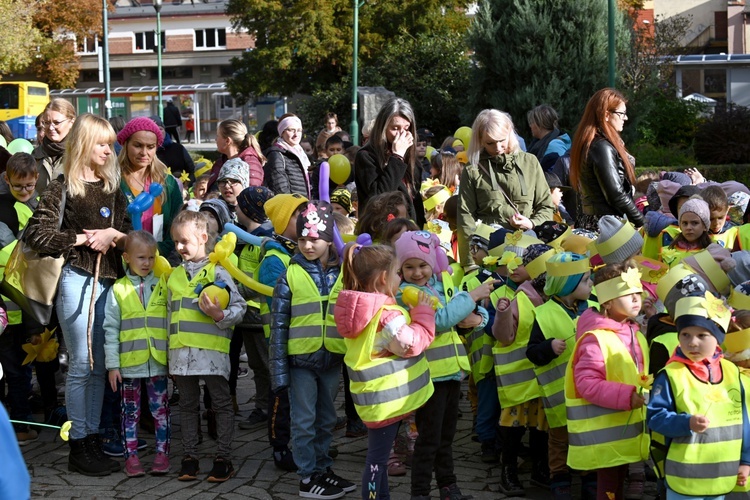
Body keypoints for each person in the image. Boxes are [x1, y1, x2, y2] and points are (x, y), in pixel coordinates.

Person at [25, 113, 132, 476]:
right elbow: (37, 235)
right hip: (76, 278)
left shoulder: (112, 187)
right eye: (102, 144)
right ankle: (79, 443)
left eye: (110, 144)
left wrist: (112, 236)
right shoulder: (61, 186)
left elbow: (129, 236)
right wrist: (83, 238)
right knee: (81, 364)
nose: (109, 150)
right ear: (85, 144)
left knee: (100, 365)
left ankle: (94, 440)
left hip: (109, 281)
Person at [394, 230, 492, 500]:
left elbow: (462, 314)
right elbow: (439, 321)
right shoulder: (407, 293)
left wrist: (478, 316)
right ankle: (420, 493)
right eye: (409, 267)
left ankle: (449, 487)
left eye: (423, 265)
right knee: (428, 441)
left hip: (451, 373)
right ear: (399, 268)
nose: (417, 272)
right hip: (429, 376)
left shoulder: (438, 286)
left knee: (446, 438)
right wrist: (471, 299)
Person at [334, 243, 436, 500]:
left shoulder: (361, 309)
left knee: (377, 457)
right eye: (397, 273)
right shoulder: (387, 315)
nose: (400, 278)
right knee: (376, 461)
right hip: (385, 402)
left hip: (372, 398)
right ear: (383, 278)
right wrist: (423, 314)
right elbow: (410, 345)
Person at [269, 201, 356, 499]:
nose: (307, 245)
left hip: (331, 359)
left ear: (329, 239)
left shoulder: (343, 274)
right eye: (302, 239)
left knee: (327, 419)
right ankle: (307, 477)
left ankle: (322, 468)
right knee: (304, 422)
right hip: (300, 364)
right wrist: (278, 374)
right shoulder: (289, 276)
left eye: (314, 239)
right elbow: (279, 327)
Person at [167, 210, 246, 482]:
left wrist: (220, 316)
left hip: (212, 353)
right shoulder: (173, 276)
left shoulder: (218, 271)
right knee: (187, 405)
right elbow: (168, 316)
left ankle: (224, 457)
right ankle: (189, 456)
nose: (178, 247)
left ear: (202, 237)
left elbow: (240, 307)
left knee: (221, 403)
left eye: (184, 242)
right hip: (181, 355)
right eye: (175, 242)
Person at [647, 290, 750, 498]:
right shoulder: (670, 375)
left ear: (718, 338)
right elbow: (655, 418)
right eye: (685, 335)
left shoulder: (732, 371)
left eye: (702, 335)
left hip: (722, 475)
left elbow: (744, 421)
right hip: (685, 478)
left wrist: (746, 460)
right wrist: (687, 423)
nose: (692, 342)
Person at [565, 260, 649, 500]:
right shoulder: (596, 338)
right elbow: (586, 383)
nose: (636, 299)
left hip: (624, 428)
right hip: (606, 433)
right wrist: (626, 396)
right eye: (628, 294)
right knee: (608, 488)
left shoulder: (632, 331)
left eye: (638, 293)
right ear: (608, 302)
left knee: (616, 486)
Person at [0, 153, 59, 444]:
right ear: (6, 179)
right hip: (13, 301)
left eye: (29, 186)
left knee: (27, 365)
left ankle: (29, 419)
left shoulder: (38, 205)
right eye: (17, 186)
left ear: (37, 180)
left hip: (32, 300)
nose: (24, 191)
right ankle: (21, 426)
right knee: (16, 369)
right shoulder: (6, 209)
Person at [527, 253, 595, 499]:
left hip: (589, 393)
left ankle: (589, 478)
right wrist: (548, 348)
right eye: (586, 280)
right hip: (560, 396)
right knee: (559, 440)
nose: (591, 285)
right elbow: (532, 352)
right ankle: (559, 478)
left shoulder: (594, 308)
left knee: (587, 436)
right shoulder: (544, 313)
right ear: (568, 284)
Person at [103, 231, 171, 477]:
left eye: (151, 258)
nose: (147, 263)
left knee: (160, 411)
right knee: (129, 413)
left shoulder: (163, 284)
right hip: (129, 365)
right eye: (141, 257)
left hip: (158, 362)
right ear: (126, 258)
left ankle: (162, 453)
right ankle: (130, 456)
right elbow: (110, 329)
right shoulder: (118, 290)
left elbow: (170, 323)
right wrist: (113, 365)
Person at [457, 109, 555, 267]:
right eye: (490, 143)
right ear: (480, 140)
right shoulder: (472, 169)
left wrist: (532, 223)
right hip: (489, 254)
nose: (498, 147)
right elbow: (465, 218)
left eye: (502, 140)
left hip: (528, 253)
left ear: (510, 133)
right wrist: (470, 265)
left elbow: (546, 205)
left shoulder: (530, 162)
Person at [259, 192, 309, 472]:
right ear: (281, 223)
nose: (304, 217)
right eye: (296, 213)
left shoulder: (302, 252)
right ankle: (280, 446)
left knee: (303, 396)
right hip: (280, 340)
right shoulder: (275, 259)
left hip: (303, 337)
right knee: (281, 393)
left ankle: (305, 442)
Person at [569, 88, 643, 231]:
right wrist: (642, 222)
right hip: (606, 226)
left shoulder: (592, 143)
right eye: (622, 114)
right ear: (606, 115)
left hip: (595, 222)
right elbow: (616, 194)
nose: (625, 118)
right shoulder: (601, 146)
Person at [234, 187, 275, 431]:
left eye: (240, 205)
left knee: (267, 366)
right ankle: (263, 407)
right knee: (258, 366)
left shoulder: (264, 242)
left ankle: (272, 408)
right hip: (247, 316)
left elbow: (263, 282)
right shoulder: (244, 239)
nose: (236, 208)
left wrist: (237, 292)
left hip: (261, 316)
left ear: (249, 209)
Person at [117, 117, 183, 261]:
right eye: (138, 145)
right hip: (123, 262)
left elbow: (177, 225)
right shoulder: (113, 181)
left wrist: (158, 252)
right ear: (126, 144)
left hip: (162, 261)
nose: (144, 152)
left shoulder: (168, 183)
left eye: (150, 147)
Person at [354, 97, 426, 228]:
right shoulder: (366, 156)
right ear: (383, 128)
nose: (402, 134)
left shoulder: (410, 156)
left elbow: (414, 198)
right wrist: (397, 157)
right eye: (395, 128)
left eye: (406, 128)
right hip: (380, 231)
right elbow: (378, 197)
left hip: (409, 231)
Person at [208, 118, 265, 191]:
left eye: (218, 136)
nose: (215, 140)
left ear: (227, 141)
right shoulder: (220, 162)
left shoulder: (250, 163)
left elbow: (252, 195)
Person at [34, 98, 76, 192]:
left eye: (56, 123)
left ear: (71, 122)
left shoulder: (80, 154)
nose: (51, 128)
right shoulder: (35, 155)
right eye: (47, 123)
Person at [265, 114, 311, 197]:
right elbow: (280, 189)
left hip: (303, 205)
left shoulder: (301, 153)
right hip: (291, 207)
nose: (296, 134)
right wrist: (293, 207)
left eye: (299, 130)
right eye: (291, 130)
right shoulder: (276, 155)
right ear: (282, 132)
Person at [527, 105, 572, 171]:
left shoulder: (555, 145)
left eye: (532, 122)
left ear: (539, 124)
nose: (530, 126)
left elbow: (562, 172)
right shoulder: (539, 143)